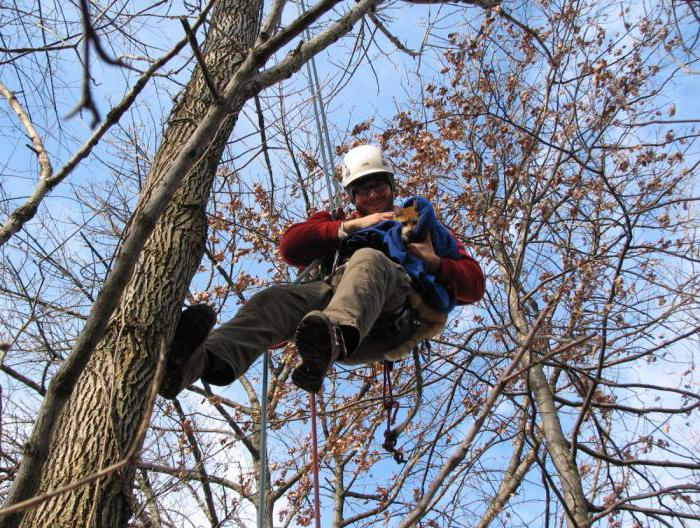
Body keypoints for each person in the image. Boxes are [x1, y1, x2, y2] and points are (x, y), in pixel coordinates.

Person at [159, 144, 485, 398]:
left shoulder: (414, 222)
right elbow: (290, 248)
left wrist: (435, 263)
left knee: (370, 259)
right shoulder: (336, 221)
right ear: (352, 195)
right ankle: (190, 364)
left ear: (391, 186)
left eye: (378, 186)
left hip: (391, 314)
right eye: (362, 189)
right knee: (272, 300)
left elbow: (474, 286)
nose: (372, 195)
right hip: (332, 301)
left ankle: (331, 334)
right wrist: (349, 227)